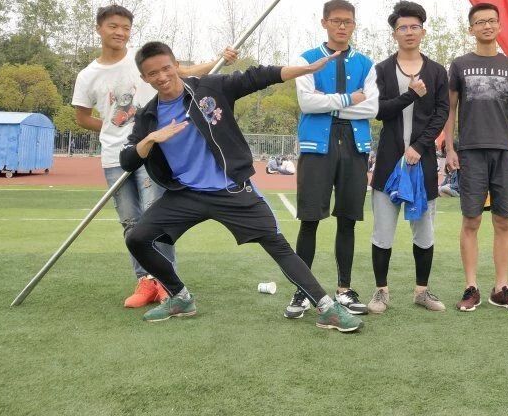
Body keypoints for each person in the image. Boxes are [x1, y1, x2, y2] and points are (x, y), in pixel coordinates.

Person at [119, 41, 362, 332]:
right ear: (144, 78)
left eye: (166, 68)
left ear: (176, 66)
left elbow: (257, 76)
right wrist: (150, 139)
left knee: (277, 244)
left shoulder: (208, 89)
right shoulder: (148, 116)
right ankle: (180, 297)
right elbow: (127, 159)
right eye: (152, 73)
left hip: (230, 189)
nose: (161, 77)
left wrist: (305, 69)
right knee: (137, 238)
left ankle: (327, 308)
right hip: (186, 194)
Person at [72, 4, 238, 308]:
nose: (120, 32)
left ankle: (166, 284)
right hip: (115, 156)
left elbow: (182, 72)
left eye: (125, 27)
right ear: (99, 29)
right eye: (113, 26)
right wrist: (112, 129)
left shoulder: (143, 62)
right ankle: (145, 282)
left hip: (152, 153)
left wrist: (220, 60)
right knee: (130, 222)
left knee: (155, 218)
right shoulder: (87, 75)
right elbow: (81, 117)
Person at [286, 0, 379, 319]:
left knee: (348, 219)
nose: (342, 26)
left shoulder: (366, 64)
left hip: (355, 146)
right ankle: (302, 291)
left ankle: (344, 289)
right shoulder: (306, 60)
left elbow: (372, 107)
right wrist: (350, 100)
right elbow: (307, 103)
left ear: (354, 24)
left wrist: (330, 103)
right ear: (324, 22)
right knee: (309, 219)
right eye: (336, 20)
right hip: (317, 147)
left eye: (348, 21)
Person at [444, 2, 508, 312]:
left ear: (500, 26)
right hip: (470, 150)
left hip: (505, 150)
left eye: (492, 21)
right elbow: (450, 109)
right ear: (470, 28)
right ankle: (471, 286)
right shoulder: (459, 65)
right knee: (471, 220)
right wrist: (449, 148)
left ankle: (501, 288)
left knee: (503, 220)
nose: (487, 26)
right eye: (480, 22)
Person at [366, 0, 449, 314]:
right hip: (389, 162)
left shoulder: (437, 71)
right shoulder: (382, 70)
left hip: (422, 162)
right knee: (383, 232)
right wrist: (411, 94)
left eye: (415, 26)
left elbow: (441, 113)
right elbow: (379, 110)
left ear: (423, 31)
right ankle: (381, 292)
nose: (409, 32)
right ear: (394, 34)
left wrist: (419, 146)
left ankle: (422, 291)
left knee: (425, 231)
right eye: (403, 27)